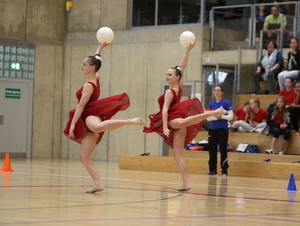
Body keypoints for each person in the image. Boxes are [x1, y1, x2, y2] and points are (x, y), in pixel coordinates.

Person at [143, 43, 227, 191]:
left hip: (172, 119)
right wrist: (187, 50)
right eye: (166, 74)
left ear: (176, 78)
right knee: (178, 156)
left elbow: (164, 111)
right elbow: (182, 68)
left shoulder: (170, 92)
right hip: (176, 120)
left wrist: (164, 127)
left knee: (183, 122)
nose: (167, 77)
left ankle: (213, 112)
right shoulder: (178, 86)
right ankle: (186, 183)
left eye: (170, 75)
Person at [63, 43, 145, 193]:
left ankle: (129, 121)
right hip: (89, 117)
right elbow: (97, 60)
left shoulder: (89, 85)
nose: (81, 66)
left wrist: (73, 124)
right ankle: (97, 183)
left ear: (92, 68)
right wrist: (100, 48)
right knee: (84, 156)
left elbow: (81, 107)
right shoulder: (97, 77)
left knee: (97, 127)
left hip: (89, 114)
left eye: (84, 64)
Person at [206, 85, 233, 177]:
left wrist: (222, 116)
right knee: (212, 150)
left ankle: (224, 170)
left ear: (222, 92)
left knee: (223, 150)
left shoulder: (226, 103)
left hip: (222, 129)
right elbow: (209, 117)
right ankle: (212, 170)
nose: (216, 92)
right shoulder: (211, 103)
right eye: (215, 90)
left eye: (218, 90)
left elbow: (231, 116)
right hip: (212, 129)